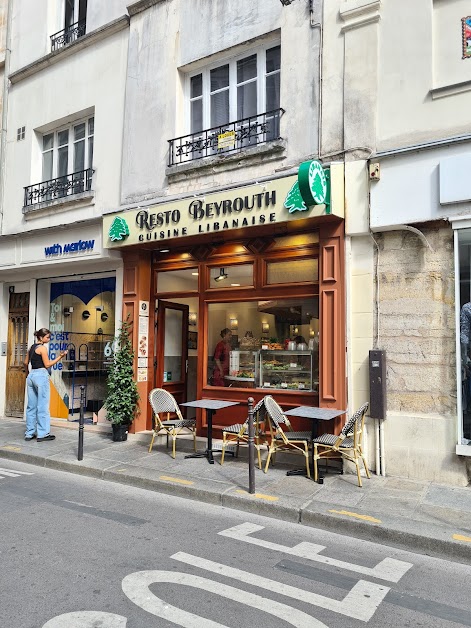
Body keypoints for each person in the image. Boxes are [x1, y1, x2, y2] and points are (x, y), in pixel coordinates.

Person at [23, 328, 68, 442]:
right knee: (42, 406)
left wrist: (28, 373)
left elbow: (25, 363)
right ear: (41, 337)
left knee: (31, 407)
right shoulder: (42, 348)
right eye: (47, 337)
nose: (49, 339)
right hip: (41, 375)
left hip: (31, 375)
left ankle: (29, 433)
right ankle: (42, 434)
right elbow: (47, 364)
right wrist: (60, 357)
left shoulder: (31, 348)